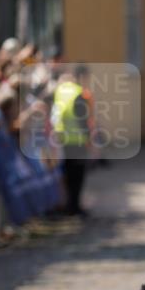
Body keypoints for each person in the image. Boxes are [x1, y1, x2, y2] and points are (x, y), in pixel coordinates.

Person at [51, 65, 94, 216]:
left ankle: (69, 205)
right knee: (78, 176)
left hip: (63, 138)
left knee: (68, 174)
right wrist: (88, 138)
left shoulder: (61, 91)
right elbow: (82, 119)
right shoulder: (78, 93)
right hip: (77, 140)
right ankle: (75, 207)